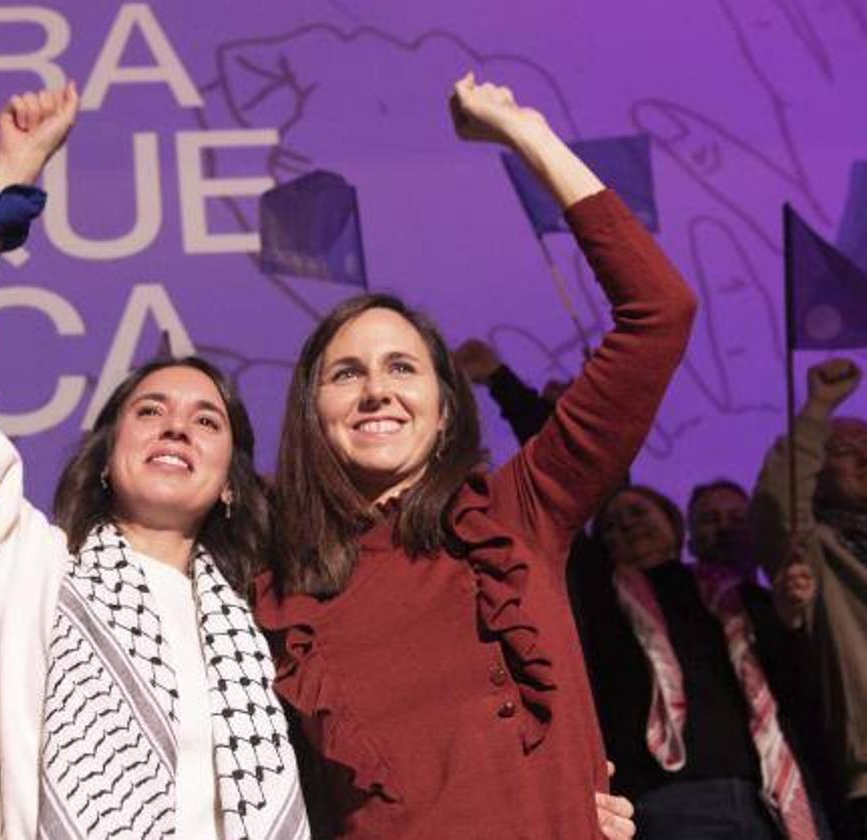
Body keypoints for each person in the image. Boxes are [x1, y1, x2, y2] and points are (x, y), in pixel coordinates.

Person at [254, 72, 697, 838]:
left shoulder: (516, 512)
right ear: (310, 412)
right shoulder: (278, 585)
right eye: (346, 373)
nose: (376, 393)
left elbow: (659, 313)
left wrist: (526, 134)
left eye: (402, 368)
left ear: (445, 404)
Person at [0, 85, 309, 840]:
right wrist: (7, 180)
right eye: (149, 410)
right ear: (107, 460)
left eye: (205, 419)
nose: (177, 426)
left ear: (231, 488)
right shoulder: (19, 565)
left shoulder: (271, 622)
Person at [583, 484, 829, 839]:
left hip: (764, 798)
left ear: (674, 524)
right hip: (662, 803)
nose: (628, 525)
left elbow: (794, 684)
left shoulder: (735, 596)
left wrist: (791, 618)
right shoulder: (599, 608)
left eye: (638, 512)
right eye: (611, 524)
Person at [753, 358, 867, 839]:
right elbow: (777, 508)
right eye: (845, 449)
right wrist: (818, 409)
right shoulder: (818, 549)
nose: (865, 455)